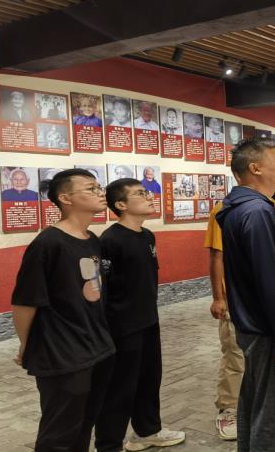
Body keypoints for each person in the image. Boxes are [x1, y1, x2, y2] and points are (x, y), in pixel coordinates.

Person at [216, 138, 275, 451]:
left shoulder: (255, 209)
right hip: (270, 331)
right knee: (273, 416)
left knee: (258, 405)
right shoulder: (257, 213)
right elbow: (271, 282)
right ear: (255, 168)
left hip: (262, 327)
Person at [11, 169, 115, 451]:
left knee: (84, 425)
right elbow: (24, 303)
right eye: (91, 189)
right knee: (59, 434)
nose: (100, 193)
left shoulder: (91, 239)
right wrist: (27, 345)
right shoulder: (48, 243)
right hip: (63, 354)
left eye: (99, 187)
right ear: (66, 198)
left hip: (96, 347)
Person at [95, 179, 185, 451]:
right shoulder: (110, 240)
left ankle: (147, 432)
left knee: (149, 379)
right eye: (140, 194)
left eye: (147, 192)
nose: (149, 197)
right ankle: (108, 445)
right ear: (120, 205)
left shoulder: (147, 236)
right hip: (122, 327)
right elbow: (103, 289)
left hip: (148, 320)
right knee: (120, 388)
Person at [204, 191, 245, 441]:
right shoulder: (224, 210)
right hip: (235, 299)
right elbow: (216, 255)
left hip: (264, 300)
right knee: (234, 354)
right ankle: (229, 408)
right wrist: (219, 297)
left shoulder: (272, 207)